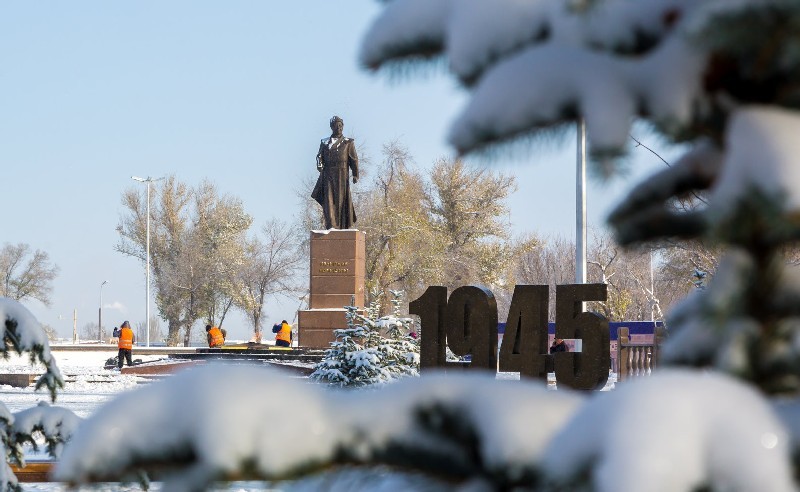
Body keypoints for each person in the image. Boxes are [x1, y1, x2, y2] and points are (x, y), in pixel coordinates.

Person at [311, 115, 359, 229]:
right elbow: (319, 156)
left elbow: (354, 159)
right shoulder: (325, 142)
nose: (339, 127)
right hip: (328, 175)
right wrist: (320, 164)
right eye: (336, 125)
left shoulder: (348, 142)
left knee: (342, 201)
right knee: (329, 200)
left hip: (342, 175)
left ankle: (341, 226)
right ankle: (331, 226)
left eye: (340, 125)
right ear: (332, 127)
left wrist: (355, 174)